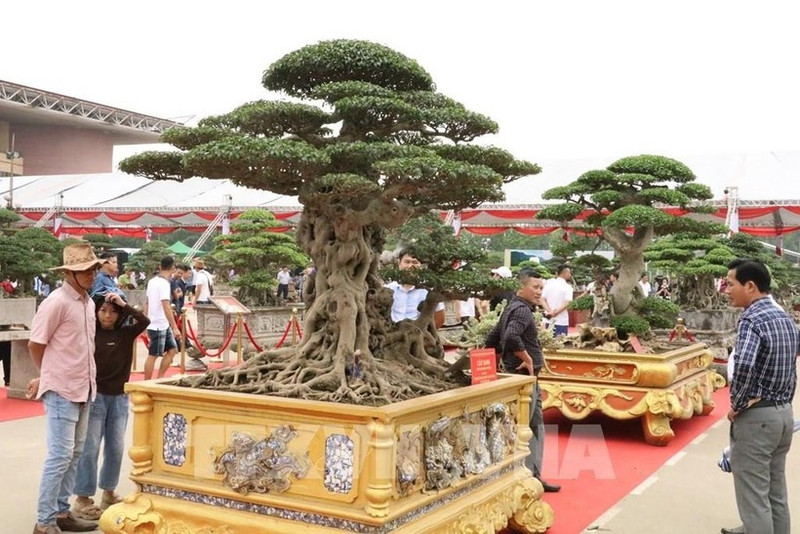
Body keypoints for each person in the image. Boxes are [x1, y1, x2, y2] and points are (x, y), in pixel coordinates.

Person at [27, 241, 107, 533]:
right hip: (62, 389)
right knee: (60, 456)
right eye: (85, 270)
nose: (91, 275)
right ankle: (45, 521)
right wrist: (47, 375)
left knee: (74, 454)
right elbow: (36, 344)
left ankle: (60, 512)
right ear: (68, 273)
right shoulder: (56, 302)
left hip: (84, 387)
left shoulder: (87, 302)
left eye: (94, 269)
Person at [720, 258, 799, 534]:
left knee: (754, 499)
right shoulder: (785, 317)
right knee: (775, 492)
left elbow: (743, 365)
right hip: (783, 415)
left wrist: (738, 404)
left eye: (730, 284)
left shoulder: (751, 319)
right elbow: (790, 365)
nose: (726, 290)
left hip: (757, 420)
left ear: (750, 286)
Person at [71, 292, 150, 520]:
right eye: (103, 311)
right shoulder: (90, 333)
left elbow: (144, 321)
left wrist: (123, 304)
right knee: (90, 448)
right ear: (96, 312)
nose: (107, 315)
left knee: (115, 447)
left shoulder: (126, 333)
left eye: (113, 312)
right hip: (96, 397)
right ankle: (83, 497)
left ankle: (108, 492)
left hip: (119, 399)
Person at [484, 268, 560, 493]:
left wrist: (493, 365)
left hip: (519, 377)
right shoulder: (522, 311)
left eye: (541, 288)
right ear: (521, 287)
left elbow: (492, 338)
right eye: (535, 287)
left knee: (529, 425)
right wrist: (527, 359)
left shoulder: (512, 308)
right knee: (529, 427)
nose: (539, 292)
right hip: (523, 379)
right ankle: (527, 476)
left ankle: (530, 474)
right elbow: (510, 336)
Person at [384, 249, 445, 327]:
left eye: (415, 262)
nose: (410, 266)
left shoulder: (430, 290)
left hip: (419, 332)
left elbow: (439, 317)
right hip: (391, 332)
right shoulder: (387, 289)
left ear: (421, 265)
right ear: (399, 263)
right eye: (407, 262)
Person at [144, 256, 181, 380]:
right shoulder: (164, 283)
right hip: (158, 324)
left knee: (173, 350)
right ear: (173, 268)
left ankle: (160, 377)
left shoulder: (152, 281)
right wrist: (175, 327)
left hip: (161, 323)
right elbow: (166, 305)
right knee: (153, 354)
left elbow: (147, 302)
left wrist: (145, 319)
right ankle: (147, 382)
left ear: (160, 266)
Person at [541, 264, 573, 337]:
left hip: (548, 319)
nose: (570, 275)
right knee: (560, 341)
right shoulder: (568, 287)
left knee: (546, 340)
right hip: (561, 320)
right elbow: (567, 302)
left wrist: (550, 311)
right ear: (565, 273)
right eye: (569, 273)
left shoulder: (548, 284)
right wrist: (555, 312)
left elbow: (542, 299)